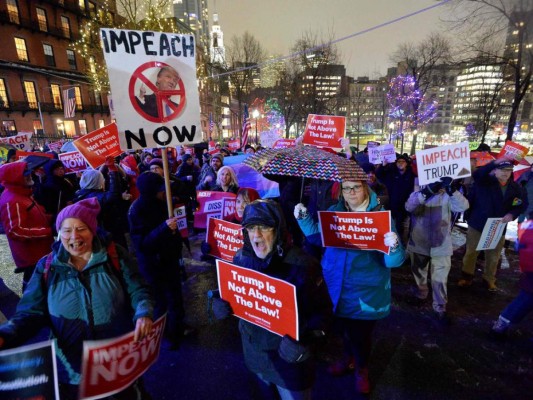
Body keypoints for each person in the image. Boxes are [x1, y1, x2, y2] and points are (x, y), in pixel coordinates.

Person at [0, 198, 155, 399]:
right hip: (71, 371)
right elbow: (30, 313)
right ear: (58, 233)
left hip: (117, 365)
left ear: (92, 230)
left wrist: (143, 312)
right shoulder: (46, 267)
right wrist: (7, 334)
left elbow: (139, 290)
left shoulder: (115, 256)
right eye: (66, 230)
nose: (74, 236)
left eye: (81, 228)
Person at [295, 165, 405, 394]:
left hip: (366, 290)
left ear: (365, 188)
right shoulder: (335, 212)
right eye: (346, 188)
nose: (351, 192)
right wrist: (303, 218)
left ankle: (361, 369)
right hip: (337, 286)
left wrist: (394, 246)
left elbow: (393, 262)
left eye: (356, 187)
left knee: (360, 336)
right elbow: (318, 237)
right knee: (343, 330)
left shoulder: (380, 217)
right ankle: (347, 360)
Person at [212, 200, 333, 400]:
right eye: (250, 228)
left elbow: (324, 313)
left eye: (264, 227)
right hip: (255, 358)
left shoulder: (303, 265)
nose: (256, 235)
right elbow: (232, 292)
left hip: (289, 365)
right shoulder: (240, 259)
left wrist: (307, 341)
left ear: (277, 229)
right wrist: (217, 302)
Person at [128, 172, 192, 349]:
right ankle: (166, 336)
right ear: (150, 191)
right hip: (153, 265)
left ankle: (178, 327)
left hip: (170, 260)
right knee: (161, 302)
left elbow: (181, 188)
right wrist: (164, 228)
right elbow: (142, 244)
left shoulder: (164, 203)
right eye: (160, 189)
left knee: (175, 297)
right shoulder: (137, 210)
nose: (164, 191)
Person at [405, 177, 469, 325]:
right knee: (419, 272)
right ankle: (421, 294)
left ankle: (440, 307)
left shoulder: (447, 194)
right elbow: (409, 206)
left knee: (440, 278)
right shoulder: (418, 193)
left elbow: (463, 207)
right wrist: (426, 192)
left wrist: (451, 190)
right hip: (419, 242)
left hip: (441, 244)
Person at [459, 158, 527, 291]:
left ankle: (489, 279)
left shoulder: (516, 188)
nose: (505, 173)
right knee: (471, 252)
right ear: (495, 171)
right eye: (502, 170)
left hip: (498, 226)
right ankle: (467, 277)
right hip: (478, 223)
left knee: (494, 255)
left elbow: (521, 204)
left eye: (509, 170)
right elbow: (478, 174)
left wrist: (512, 214)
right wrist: (495, 162)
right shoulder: (485, 182)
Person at [0, 161, 54, 291]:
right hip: (32, 255)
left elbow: (34, 215)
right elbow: (16, 231)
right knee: (34, 288)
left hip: (40, 251)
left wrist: (53, 218)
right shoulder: (12, 200)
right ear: (14, 177)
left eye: (29, 172)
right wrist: (48, 231)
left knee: (41, 285)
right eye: (25, 173)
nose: (30, 175)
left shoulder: (22, 193)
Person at [491, 218, 533, 339]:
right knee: (525, 299)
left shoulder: (527, 225)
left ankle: (501, 324)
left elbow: (518, 247)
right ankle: (501, 326)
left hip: (528, 271)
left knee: (525, 299)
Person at [375, 154, 415, 245]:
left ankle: (401, 244)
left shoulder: (411, 175)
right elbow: (378, 174)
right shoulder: (391, 174)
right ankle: (393, 244)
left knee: (402, 227)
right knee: (392, 227)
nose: (400, 163)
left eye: (403, 161)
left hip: (405, 206)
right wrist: (383, 165)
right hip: (392, 205)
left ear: (407, 164)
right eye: (398, 162)